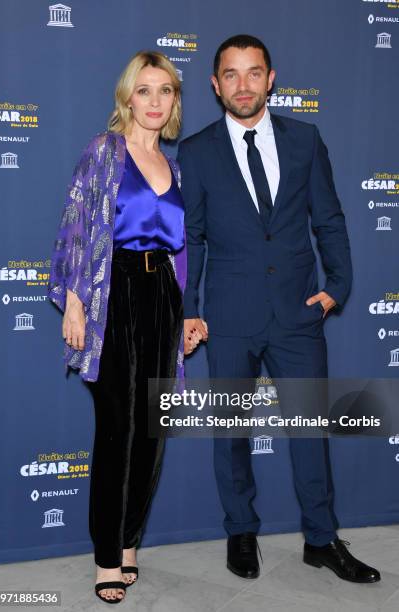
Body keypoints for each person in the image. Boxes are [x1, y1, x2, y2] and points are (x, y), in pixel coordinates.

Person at [178, 35, 381, 584]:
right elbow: (191, 237)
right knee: (230, 432)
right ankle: (240, 533)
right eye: (231, 75)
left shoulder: (305, 140)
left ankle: (321, 539)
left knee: (310, 430)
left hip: (298, 313)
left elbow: (329, 219)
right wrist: (189, 309)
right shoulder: (196, 152)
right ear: (216, 84)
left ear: (271, 79)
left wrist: (337, 284)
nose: (242, 85)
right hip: (229, 315)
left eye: (253, 73)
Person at [48, 51, 198, 604]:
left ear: (175, 101)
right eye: (145, 90)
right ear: (127, 97)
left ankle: (130, 541)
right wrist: (73, 302)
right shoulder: (103, 152)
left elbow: (183, 252)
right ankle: (106, 557)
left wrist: (185, 315)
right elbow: (75, 226)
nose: (155, 101)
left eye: (166, 91)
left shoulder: (176, 167)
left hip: (164, 296)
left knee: (152, 430)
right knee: (116, 430)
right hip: (113, 294)